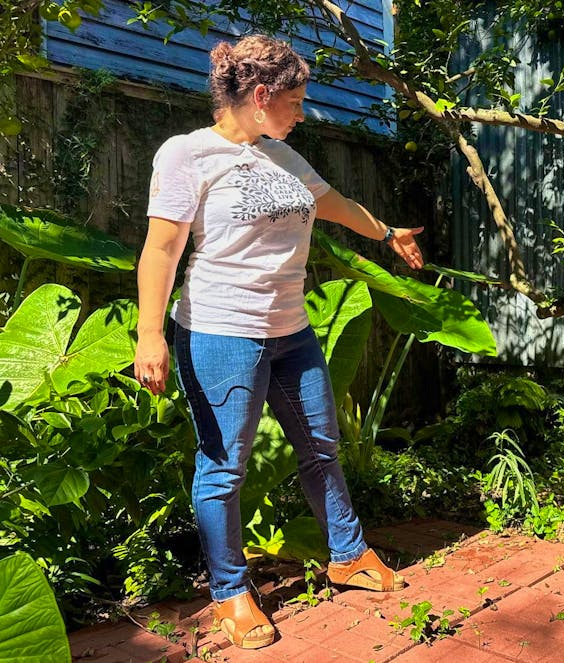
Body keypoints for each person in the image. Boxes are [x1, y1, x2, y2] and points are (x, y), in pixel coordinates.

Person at [133, 34, 423, 650]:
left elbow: (335, 204)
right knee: (224, 467)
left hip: (291, 332)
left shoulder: (284, 157)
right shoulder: (188, 155)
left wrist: (388, 231)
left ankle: (346, 554)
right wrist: (150, 334)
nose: (302, 111)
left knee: (322, 446)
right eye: (295, 101)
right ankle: (229, 591)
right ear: (261, 97)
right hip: (220, 332)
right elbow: (161, 249)